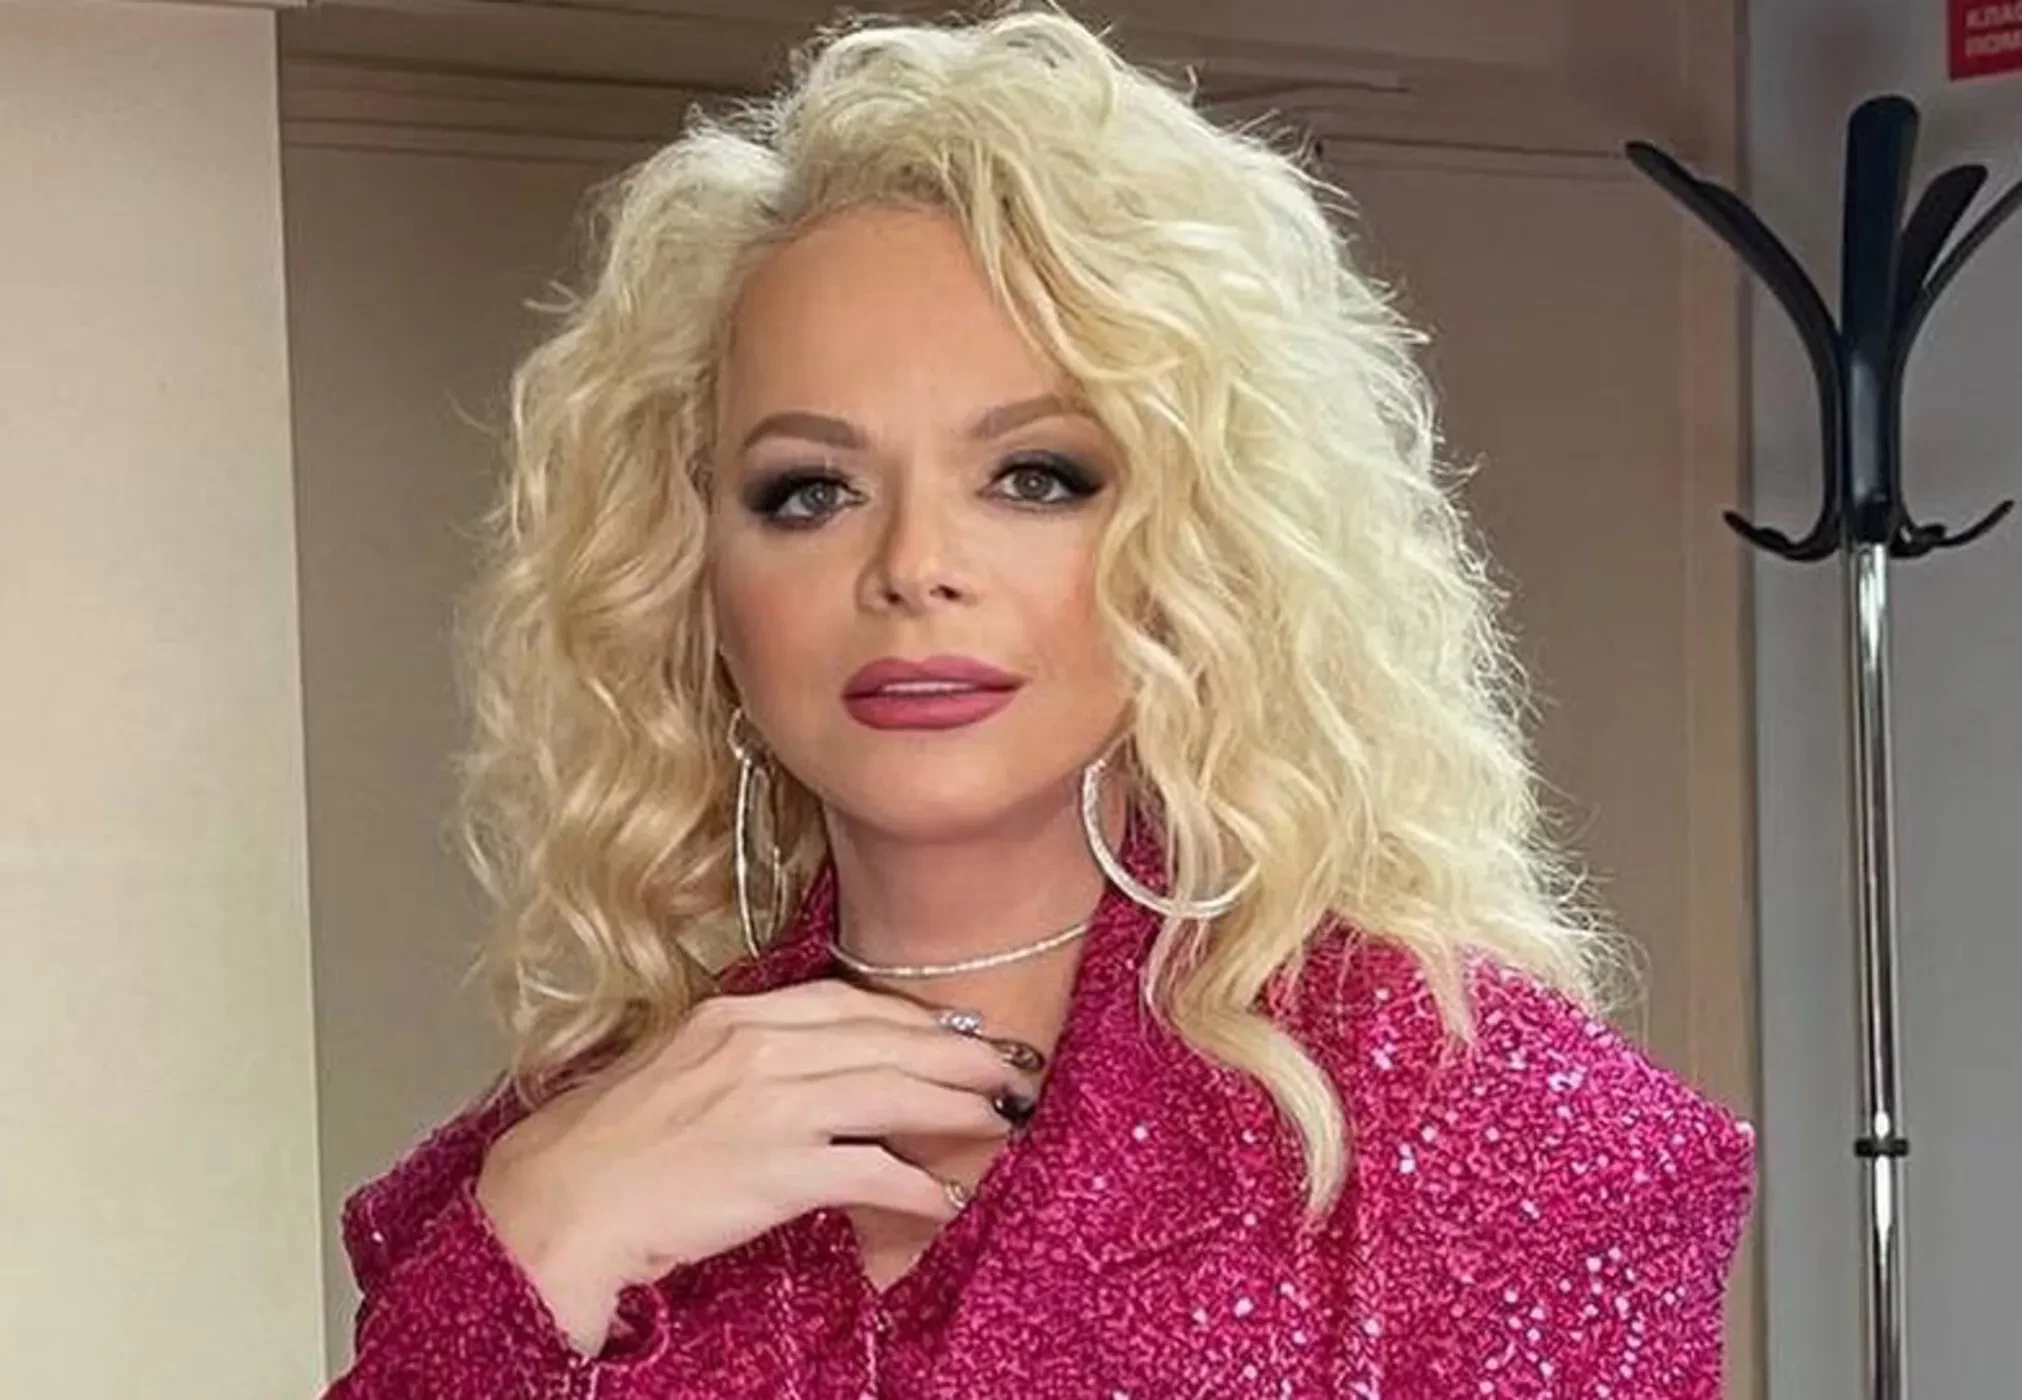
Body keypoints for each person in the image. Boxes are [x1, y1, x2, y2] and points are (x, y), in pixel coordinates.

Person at [322, 7, 1756, 1397]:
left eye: (1035, 477)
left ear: (1205, 536)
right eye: (808, 491)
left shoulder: (1494, 1142)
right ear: (692, 570)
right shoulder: (551, 1173)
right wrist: (542, 1243)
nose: (911, 567)